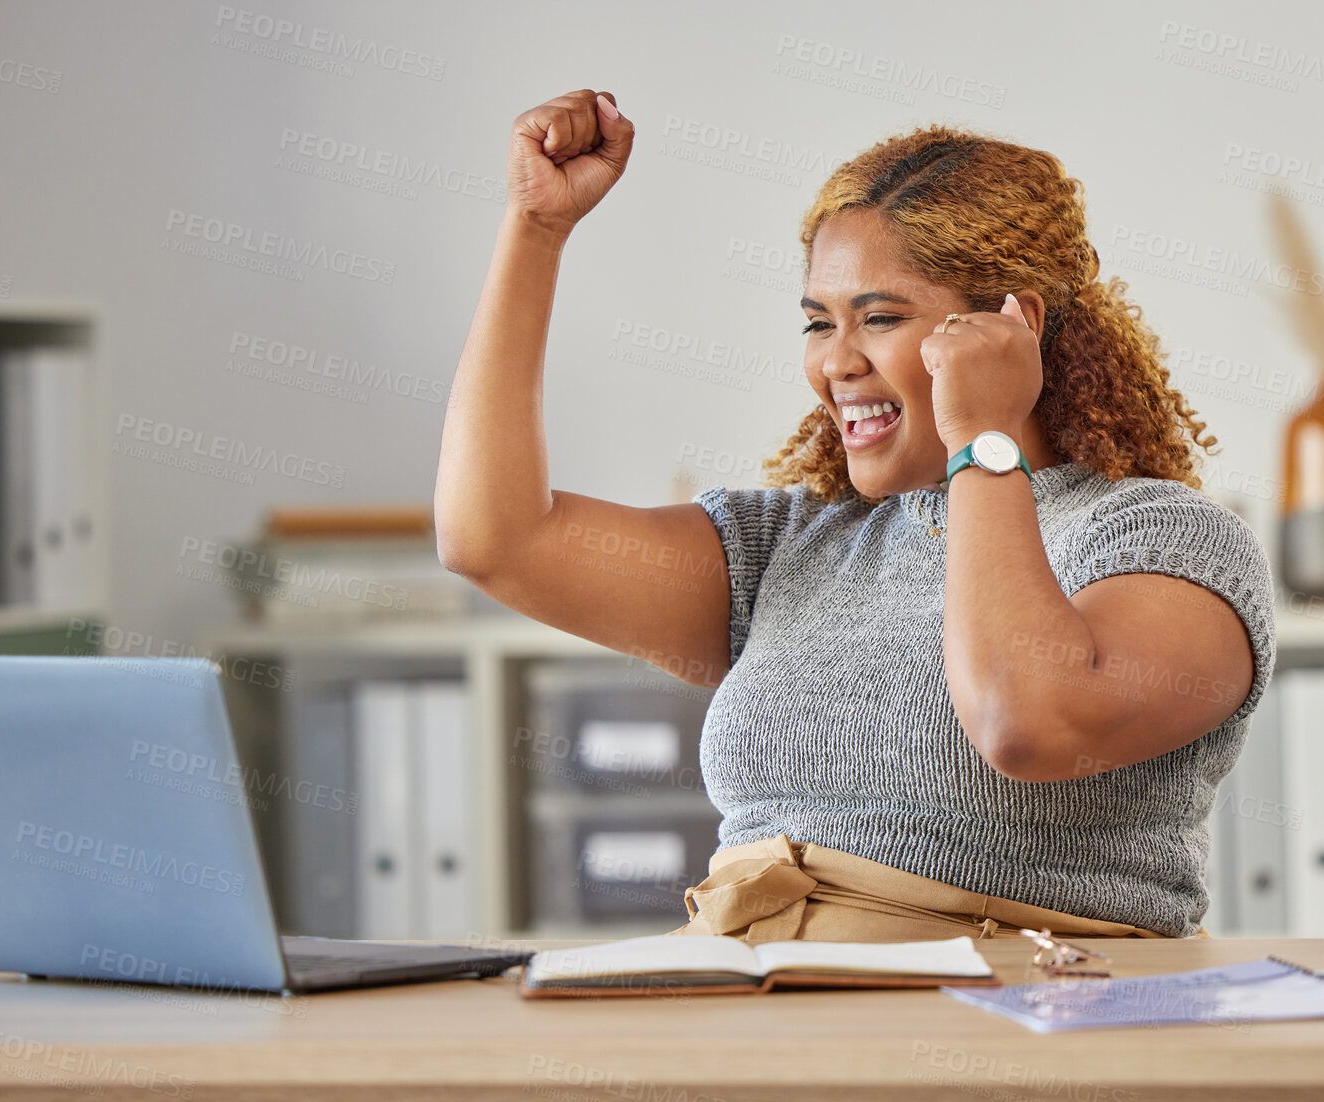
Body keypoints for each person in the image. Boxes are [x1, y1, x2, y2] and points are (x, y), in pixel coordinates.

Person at [436, 88, 1276, 942]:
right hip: (750, 1019)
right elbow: (493, 539)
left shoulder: (1163, 537)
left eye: (878, 318)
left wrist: (980, 438)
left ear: (1009, 330)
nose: (835, 360)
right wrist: (535, 231)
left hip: (1006, 1042)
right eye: (816, 323)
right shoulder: (792, 547)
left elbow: (1024, 723)